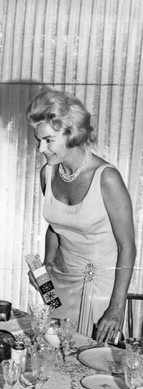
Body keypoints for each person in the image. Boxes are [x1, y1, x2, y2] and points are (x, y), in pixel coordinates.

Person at [26, 89, 136, 343]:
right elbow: (57, 225)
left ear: (71, 134)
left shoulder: (107, 178)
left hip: (101, 289)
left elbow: (127, 246)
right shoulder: (48, 173)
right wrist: (48, 264)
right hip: (62, 280)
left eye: (49, 140)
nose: (41, 148)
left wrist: (117, 308)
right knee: (55, 351)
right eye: (37, 140)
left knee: (91, 362)